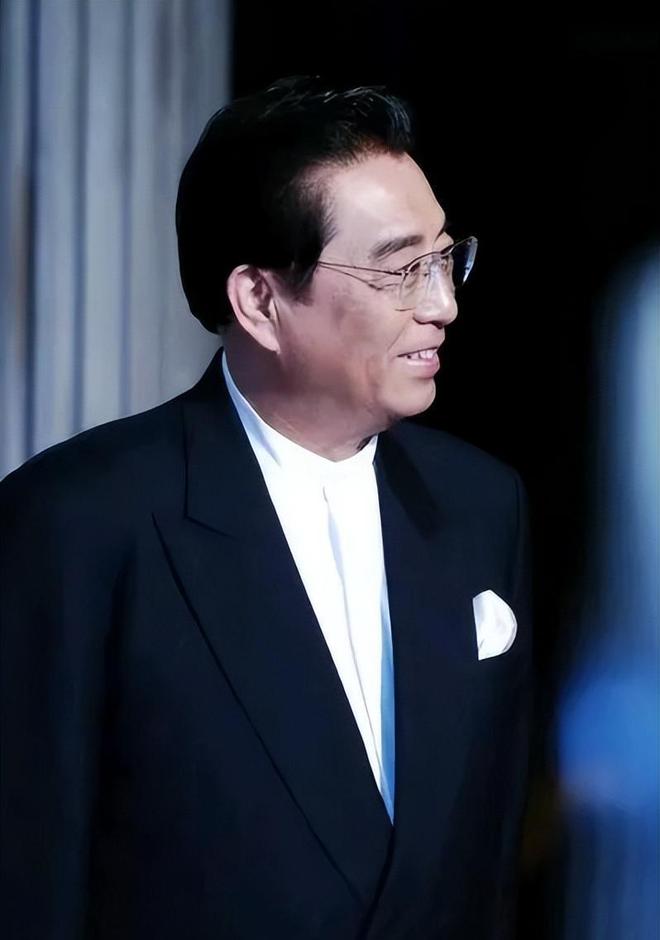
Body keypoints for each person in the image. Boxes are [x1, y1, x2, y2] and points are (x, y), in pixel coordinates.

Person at [0, 76, 532, 939]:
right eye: (402, 269)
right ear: (259, 300)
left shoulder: (479, 505)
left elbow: (485, 864)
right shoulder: (77, 522)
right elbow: (31, 875)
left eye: (444, 258)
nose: (443, 304)